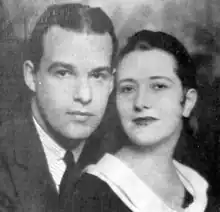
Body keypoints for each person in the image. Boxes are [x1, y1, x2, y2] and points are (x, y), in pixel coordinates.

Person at [63, 30, 213, 212]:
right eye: (127, 89)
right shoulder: (93, 193)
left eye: (158, 86)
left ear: (187, 102)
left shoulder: (196, 187)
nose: (140, 102)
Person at [0, 3, 118, 212]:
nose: (84, 95)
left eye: (98, 75)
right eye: (63, 73)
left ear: (111, 83)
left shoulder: (120, 160)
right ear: (31, 75)